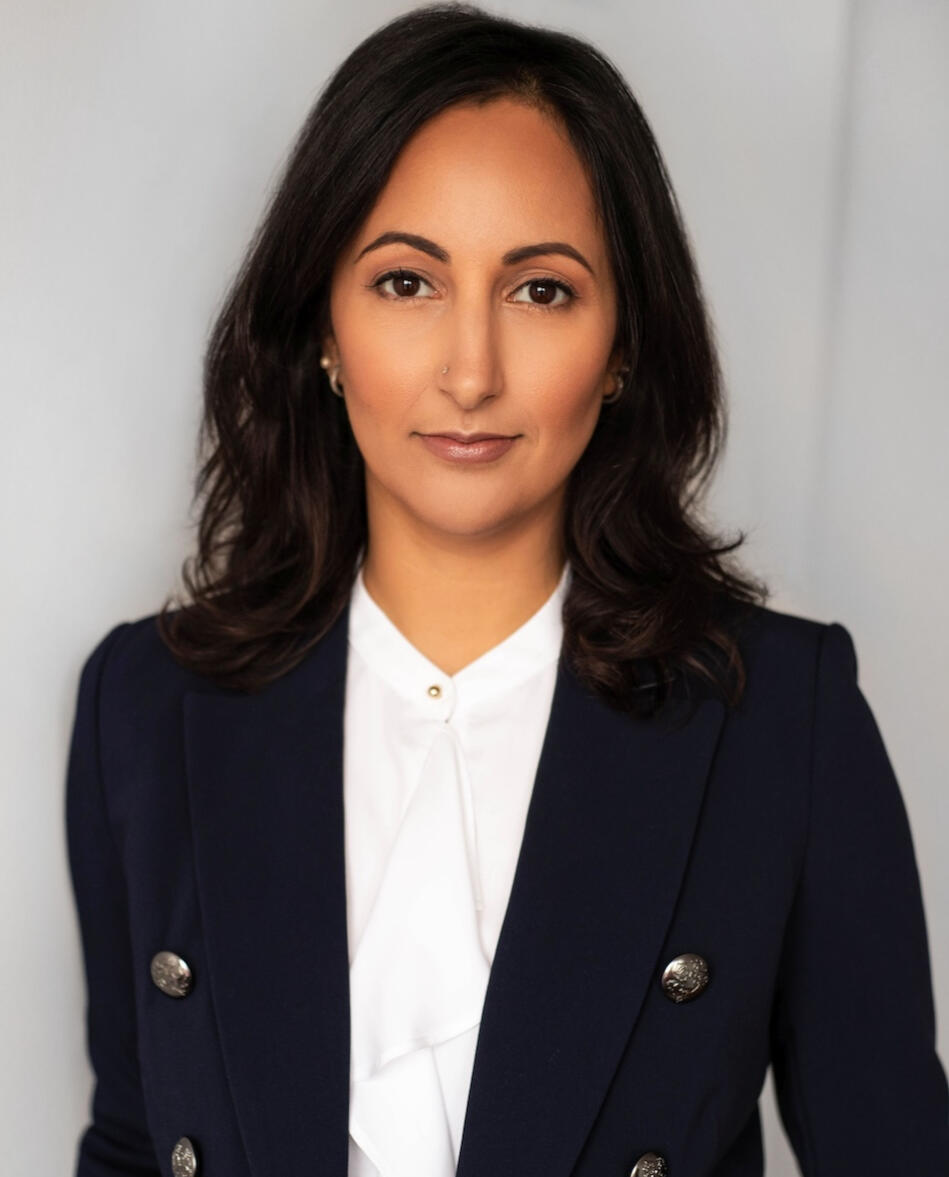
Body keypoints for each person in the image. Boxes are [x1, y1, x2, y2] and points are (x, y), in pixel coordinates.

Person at [65, 5, 949, 1176]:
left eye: (540, 291)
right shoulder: (148, 705)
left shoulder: (778, 718)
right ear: (322, 327)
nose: (471, 372)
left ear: (623, 341)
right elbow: (131, 1140)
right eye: (405, 283)